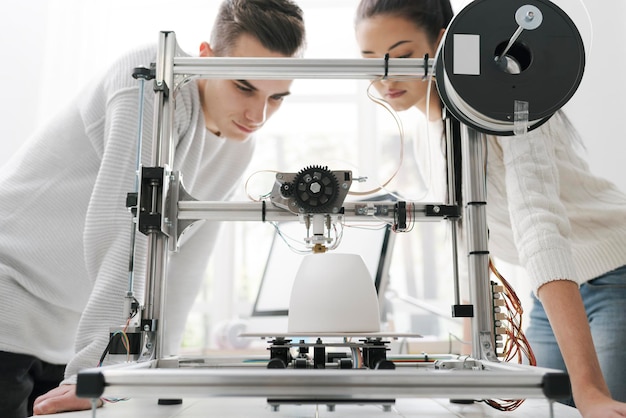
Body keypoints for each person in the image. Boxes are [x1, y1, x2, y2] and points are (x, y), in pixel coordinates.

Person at [0, 1, 305, 416]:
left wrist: (161, 370)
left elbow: (184, 260)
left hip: (65, 331)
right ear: (206, 57)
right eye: (244, 86)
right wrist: (98, 370)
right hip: (9, 301)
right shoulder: (152, 77)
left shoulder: (238, 147)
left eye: (278, 97)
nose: (258, 115)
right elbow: (122, 224)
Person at [354, 1, 626, 417]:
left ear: (444, 42)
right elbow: (471, 251)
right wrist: (469, 370)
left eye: (403, 55)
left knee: (597, 405)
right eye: (371, 60)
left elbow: (540, 227)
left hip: (613, 272)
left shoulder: (510, 94)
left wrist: (590, 391)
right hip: (554, 290)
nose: (385, 76)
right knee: (543, 406)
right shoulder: (432, 130)